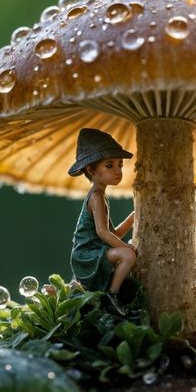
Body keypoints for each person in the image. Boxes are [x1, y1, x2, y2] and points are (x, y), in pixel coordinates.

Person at [67, 128, 138, 313]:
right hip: (87, 254)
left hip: (96, 249)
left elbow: (110, 234)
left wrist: (131, 220)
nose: (118, 171)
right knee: (129, 256)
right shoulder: (96, 197)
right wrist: (125, 247)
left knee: (125, 253)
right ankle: (111, 297)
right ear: (91, 170)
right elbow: (102, 233)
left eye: (120, 165)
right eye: (109, 165)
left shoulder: (101, 196)